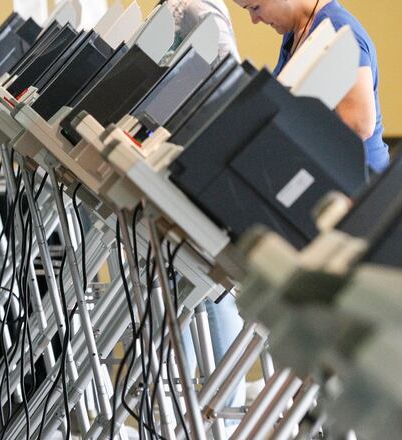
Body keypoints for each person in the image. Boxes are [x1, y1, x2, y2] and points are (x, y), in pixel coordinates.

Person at [163, 0, 247, 419]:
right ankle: (193, 413)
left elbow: (226, 87)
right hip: (189, 161)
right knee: (190, 292)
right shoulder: (176, 7)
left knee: (212, 293)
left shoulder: (197, 8)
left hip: (206, 162)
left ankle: (223, 416)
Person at [233, 0, 390, 174]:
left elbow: (359, 127)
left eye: (255, 8)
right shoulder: (296, 31)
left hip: (359, 180)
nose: (254, 20)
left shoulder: (337, 29)